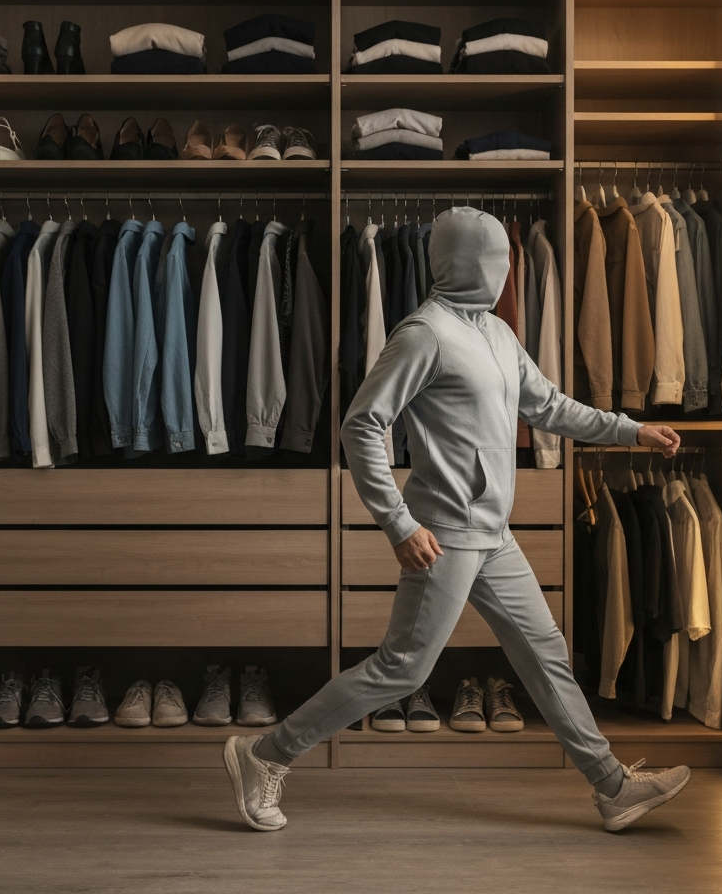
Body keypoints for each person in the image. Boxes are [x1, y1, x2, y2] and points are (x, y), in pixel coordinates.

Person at [224, 206, 688, 833]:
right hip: (443, 536)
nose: (504, 273)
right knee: (403, 669)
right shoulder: (425, 333)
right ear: (467, 263)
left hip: (494, 534)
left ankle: (612, 788)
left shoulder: (498, 333)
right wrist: (398, 523)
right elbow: (361, 424)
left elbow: (549, 405)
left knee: (545, 652)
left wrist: (632, 431)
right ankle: (263, 755)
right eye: (496, 261)